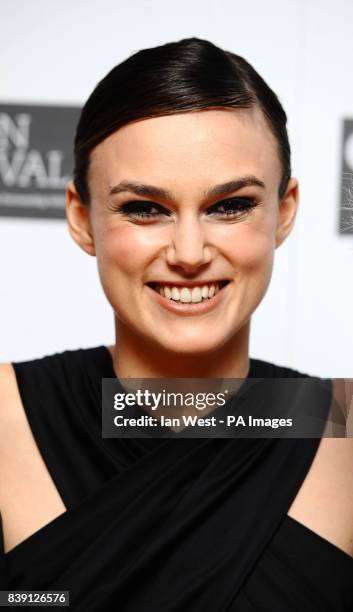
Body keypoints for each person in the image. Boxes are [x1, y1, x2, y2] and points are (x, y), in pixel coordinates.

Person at [0, 36, 352, 610]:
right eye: (145, 208)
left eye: (230, 204)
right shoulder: (4, 414)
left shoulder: (343, 430)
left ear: (283, 212)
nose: (189, 252)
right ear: (82, 218)